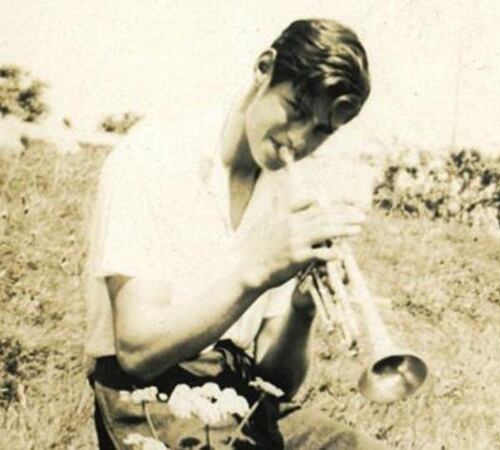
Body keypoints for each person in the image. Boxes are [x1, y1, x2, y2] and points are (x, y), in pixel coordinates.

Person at [85, 19, 389, 449]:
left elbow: (276, 380)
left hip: (238, 390)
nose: (300, 140)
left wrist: (301, 312)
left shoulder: (289, 194)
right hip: (147, 398)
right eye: (296, 110)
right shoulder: (152, 157)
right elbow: (137, 353)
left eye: (322, 130)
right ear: (264, 68)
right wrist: (257, 272)